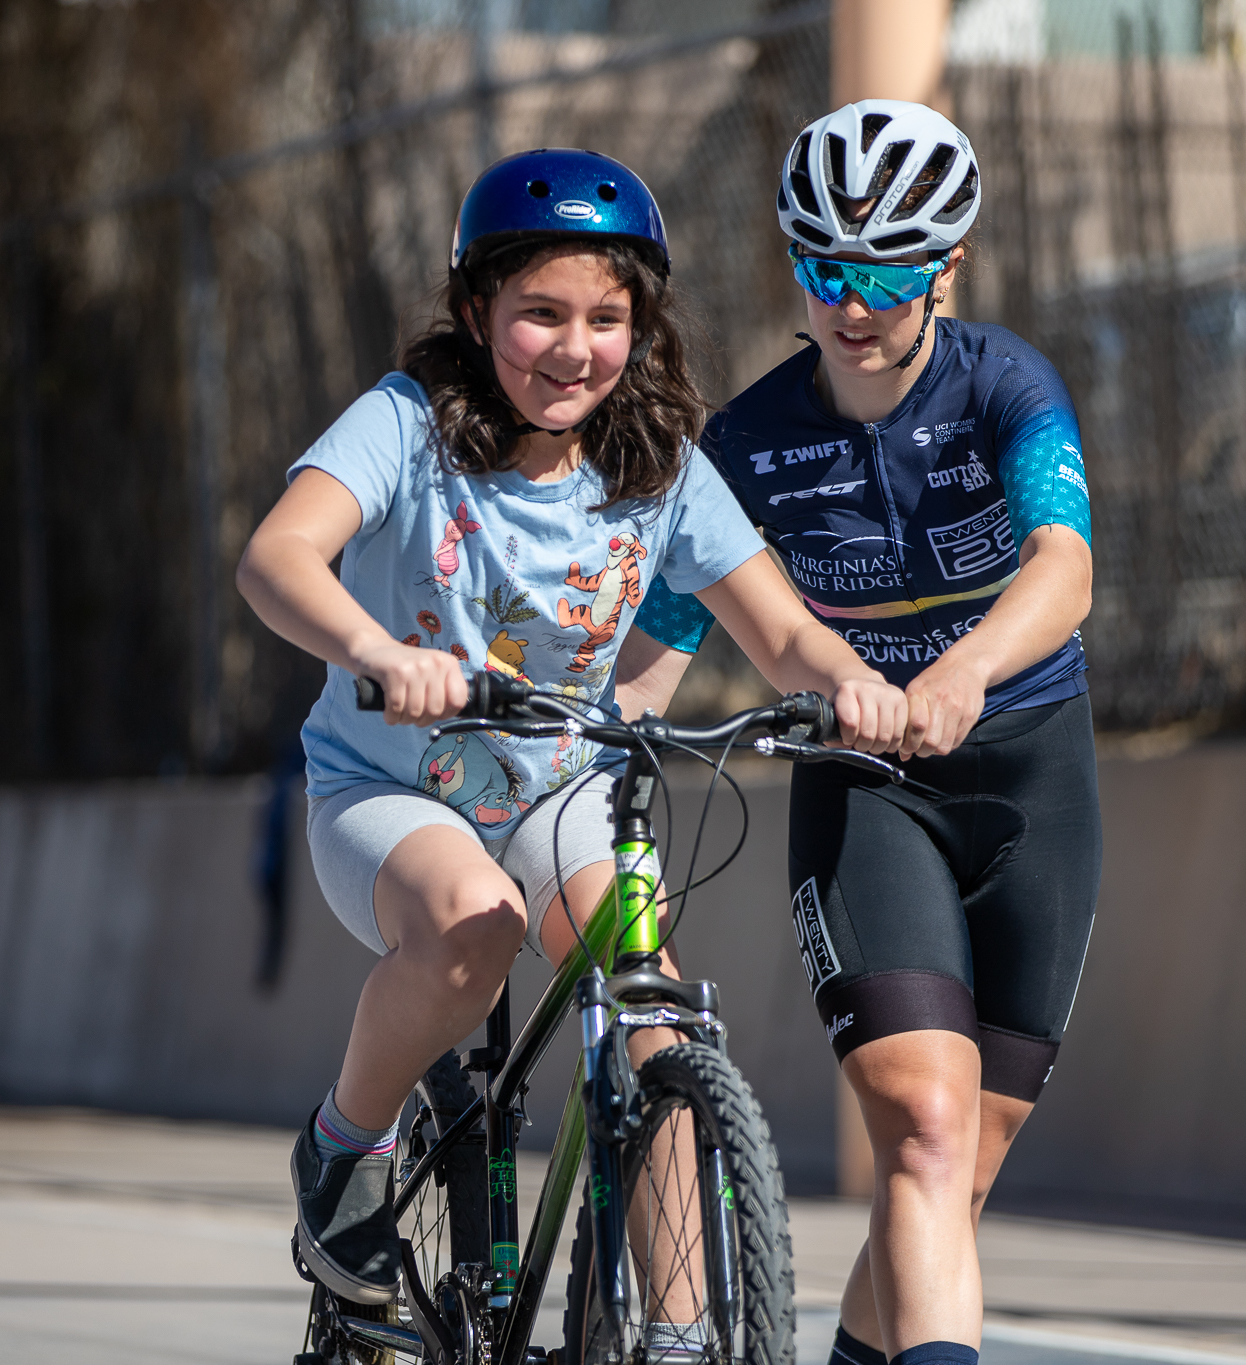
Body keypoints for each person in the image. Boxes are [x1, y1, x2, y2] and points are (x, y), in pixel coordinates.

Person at [236, 147, 907, 1308]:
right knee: (471, 927)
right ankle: (345, 1145)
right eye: (539, 313)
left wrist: (858, 688)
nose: (574, 347)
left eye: (605, 318)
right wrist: (380, 653)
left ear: (639, 327)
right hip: (392, 793)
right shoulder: (405, 425)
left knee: (649, 1008)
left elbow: (786, 634)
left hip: (561, 791)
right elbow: (274, 556)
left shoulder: (662, 468)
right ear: (473, 308)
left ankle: (683, 1335)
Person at [619, 101, 1102, 1365]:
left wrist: (964, 670)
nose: (850, 300)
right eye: (822, 267)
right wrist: (595, 738)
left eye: (884, 269)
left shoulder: (1004, 385)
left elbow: (1062, 567)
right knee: (923, 1131)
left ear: (946, 262)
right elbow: (660, 652)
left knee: (957, 1170)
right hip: (864, 792)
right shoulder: (747, 445)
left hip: (1024, 779)